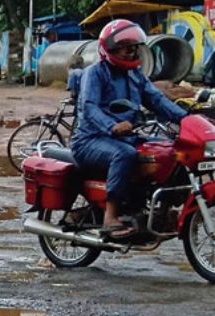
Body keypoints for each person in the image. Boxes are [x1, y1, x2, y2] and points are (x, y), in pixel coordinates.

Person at [72, 20, 186, 240]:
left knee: (166, 150)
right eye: (127, 48)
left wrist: (189, 120)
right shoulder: (95, 73)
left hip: (126, 137)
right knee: (124, 154)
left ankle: (153, 208)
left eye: (134, 48)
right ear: (111, 49)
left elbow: (158, 100)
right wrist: (112, 126)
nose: (132, 53)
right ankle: (110, 217)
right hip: (90, 141)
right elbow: (89, 107)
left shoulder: (135, 75)